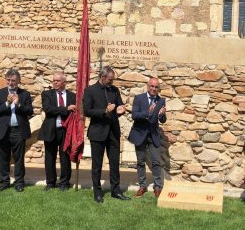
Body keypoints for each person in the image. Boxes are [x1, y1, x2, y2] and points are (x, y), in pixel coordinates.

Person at [83, 66, 130, 203]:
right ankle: (97, 192)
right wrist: (104, 110)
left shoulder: (114, 90)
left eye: (113, 80)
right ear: (102, 77)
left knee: (114, 163)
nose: (112, 82)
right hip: (97, 132)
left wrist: (121, 109)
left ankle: (116, 191)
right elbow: (87, 111)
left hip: (113, 132)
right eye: (110, 80)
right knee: (97, 165)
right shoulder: (90, 90)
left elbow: (119, 106)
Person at [0, 69, 33, 192]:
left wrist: (19, 104)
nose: (11, 82)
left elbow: (30, 111)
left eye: (13, 80)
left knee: (19, 158)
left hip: (18, 130)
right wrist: (7, 103)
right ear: (6, 80)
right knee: (3, 158)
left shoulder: (25, 94)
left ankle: (19, 182)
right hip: (3, 130)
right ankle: (4, 182)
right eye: (9, 80)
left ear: (19, 81)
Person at [129, 77, 167, 198]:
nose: (154, 89)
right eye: (152, 86)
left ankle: (157, 187)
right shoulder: (139, 98)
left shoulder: (161, 101)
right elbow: (134, 115)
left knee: (156, 161)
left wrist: (162, 115)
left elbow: (163, 120)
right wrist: (148, 112)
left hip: (154, 135)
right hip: (140, 134)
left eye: (156, 87)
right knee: (140, 162)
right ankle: (142, 186)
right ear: (148, 85)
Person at [38, 72, 76, 191]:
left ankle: (64, 182)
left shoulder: (72, 96)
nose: (55, 82)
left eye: (58, 81)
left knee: (65, 157)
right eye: (54, 80)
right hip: (51, 129)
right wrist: (66, 109)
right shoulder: (47, 94)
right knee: (50, 157)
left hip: (66, 130)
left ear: (64, 82)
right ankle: (50, 182)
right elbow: (48, 109)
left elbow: (77, 111)